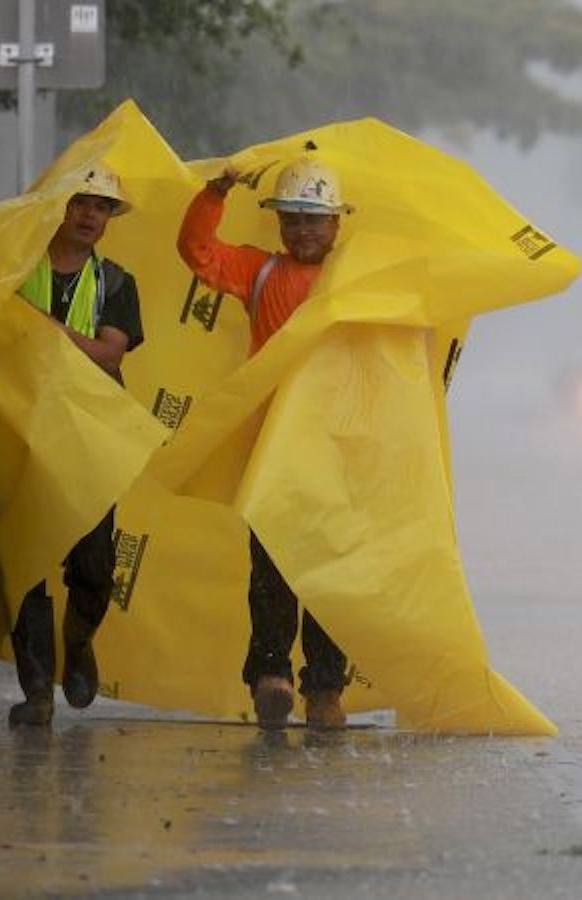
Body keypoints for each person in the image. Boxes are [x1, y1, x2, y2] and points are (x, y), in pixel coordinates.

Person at [175, 155, 355, 731]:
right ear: (279, 224)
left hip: (335, 448)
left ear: (337, 225)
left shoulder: (357, 278)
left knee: (328, 571)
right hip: (273, 447)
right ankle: (270, 677)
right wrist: (213, 195)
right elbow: (198, 253)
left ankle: (326, 690)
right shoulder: (258, 274)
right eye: (293, 220)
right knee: (272, 565)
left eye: (315, 220)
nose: (304, 231)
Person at [8, 164, 145, 727]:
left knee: (94, 562)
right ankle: (37, 690)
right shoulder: (15, 271)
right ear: (58, 209)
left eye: (102, 208)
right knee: (24, 565)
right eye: (81, 203)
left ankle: (80, 639)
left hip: (90, 436)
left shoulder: (116, 282)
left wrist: (43, 329)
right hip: (24, 431)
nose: (90, 216)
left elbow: (110, 353)